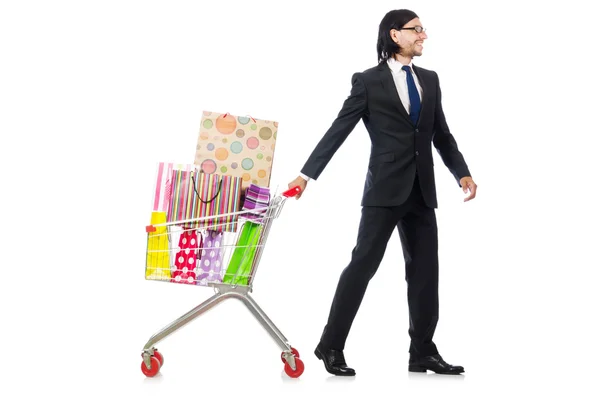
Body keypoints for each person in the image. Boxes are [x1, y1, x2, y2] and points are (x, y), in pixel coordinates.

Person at [287, 9, 477, 376]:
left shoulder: (430, 79)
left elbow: (441, 132)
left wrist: (461, 171)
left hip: (422, 188)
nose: (424, 35)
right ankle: (330, 345)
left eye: (423, 29)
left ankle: (422, 351)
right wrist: (306, 175)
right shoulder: (368, 81)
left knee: (425, 273)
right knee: (362, 266)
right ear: (395, 34)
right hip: (385, 189)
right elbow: (338, 129)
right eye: (416, 29)